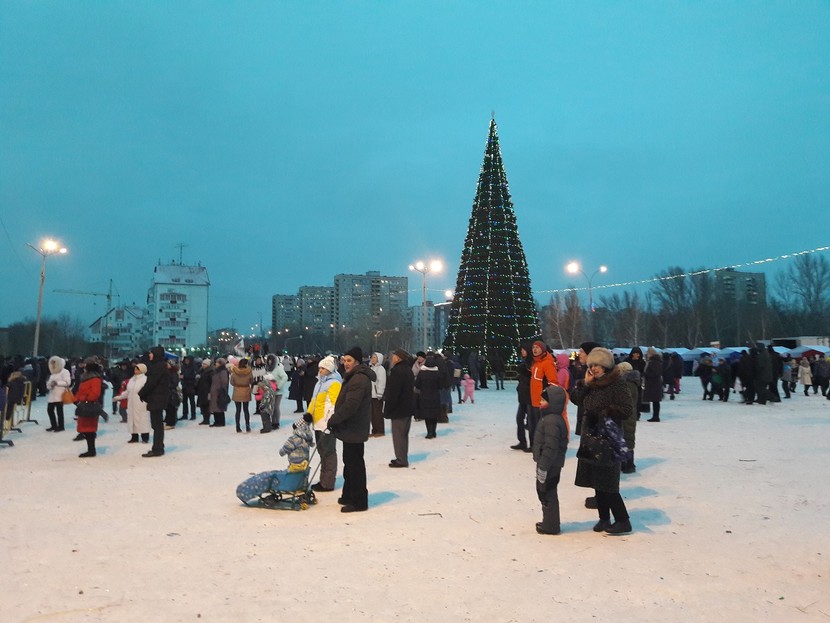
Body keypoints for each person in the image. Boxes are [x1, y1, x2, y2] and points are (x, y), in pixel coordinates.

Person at [570, 347, 633, 534]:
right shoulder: (592, 383)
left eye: (598, 364)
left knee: (608, 482)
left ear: (606, 366)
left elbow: (627, 409)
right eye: (592, 365)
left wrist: (605, 413)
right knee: (597, 481)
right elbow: (575, 399)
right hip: (591, 438)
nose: (594, 368)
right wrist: (586, 384)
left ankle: (623, 520)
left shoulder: (617, 383)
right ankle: (604, 518)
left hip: (608, 438)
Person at [327, 346, 375, 513]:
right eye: (344, 360)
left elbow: (350, 406)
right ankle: (348, 494)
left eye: (349, 361)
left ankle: (359, 501)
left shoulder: (359, 379)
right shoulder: (353, 376)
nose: (346, 363)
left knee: (355, 465)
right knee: (349, 462)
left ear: (357, 362)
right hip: (350, 428)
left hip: (354, 427)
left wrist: (334, 419)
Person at [533, 384, 570, 535]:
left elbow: (551, 447)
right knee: (547, 491)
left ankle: (551, 525)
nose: (540, 402)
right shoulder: (551, 418)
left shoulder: (551, 421)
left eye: (543, 400)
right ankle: (549, 521)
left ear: (553, 402)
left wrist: (543, 467)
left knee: (547, 493)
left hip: (549, 465)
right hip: (549, 464)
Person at [308, 355, 342, 492]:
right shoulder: (319, 383)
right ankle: (323, 479)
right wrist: (308, 415)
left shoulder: (334, 383)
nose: (320, 370)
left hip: (326, 422)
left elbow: (333, 405)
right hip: (317, 422)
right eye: (319, 368)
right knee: (322, 452)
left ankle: (328, 482)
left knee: (328, 452)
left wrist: (330, 422)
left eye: (323, 368)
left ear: (329, 369)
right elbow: (314, 401)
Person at [384, 349, 415, 468]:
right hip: (407, 407)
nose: (392, 358)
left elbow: (394, 392)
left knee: (398, 435)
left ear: (399, 358)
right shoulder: (408, 369)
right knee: (403, 434)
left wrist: (389, 408)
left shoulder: (397, 371)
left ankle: (401, 459)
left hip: (398, 408)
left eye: (394, 356)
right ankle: (402, 456)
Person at [138, 347, 171, 457]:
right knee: (157, 424)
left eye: (151, 353)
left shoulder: (159, 366)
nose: (150, 355)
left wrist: (142, 392)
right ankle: (158, 447)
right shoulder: (159, 365)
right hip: (157, 397)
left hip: (157, 398)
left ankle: (157, 448)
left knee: (157, 425)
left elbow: (151, 382)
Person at [74, 357, 107, 458]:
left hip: (89, 406)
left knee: (89, 429)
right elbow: (80, 391)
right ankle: (91, 449)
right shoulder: (85, 379)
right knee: (86, 429)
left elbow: (95, 394)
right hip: (84, 405)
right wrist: (76, 398)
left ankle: (91, 450)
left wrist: (83, 397)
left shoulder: (95, 379)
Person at [529, 341, 559, 447]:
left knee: (543, 426)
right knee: (537, 425)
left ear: (543, 349)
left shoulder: (547, 363)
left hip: (542, 401)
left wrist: (545, 399)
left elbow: (553, 382)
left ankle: (544, 447)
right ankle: (538, 446)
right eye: (533, 347)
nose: (535, 349)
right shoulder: (536, 363)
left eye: (537, 347)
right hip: (534, 400)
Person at [114, 363, 150, 444]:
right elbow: (128, 391)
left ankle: (145, 437)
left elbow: (148, 391)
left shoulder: (145, 379)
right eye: (135, 369)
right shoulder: (132, 379)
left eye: (137, 369)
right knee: (132, 419)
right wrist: (120, 397)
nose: (135, 371)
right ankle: (134, 436)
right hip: (132, 403)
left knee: (142, 419)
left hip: (141, 403)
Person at [616, 361, 640, 473]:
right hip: (630, 414)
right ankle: (627, 463)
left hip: (627, 415)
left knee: (627, 438)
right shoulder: (632, 383)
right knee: (628, 437)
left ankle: (628, 464)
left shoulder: (627, 384)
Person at [511, 343, 533, 452]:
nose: (522, 352)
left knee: (531, 421)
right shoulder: (525, 363)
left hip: (530, 396)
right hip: (523, 395)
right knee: (519, 418)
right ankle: (522, 441)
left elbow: (532, 380)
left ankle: (533, 443)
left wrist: (523, 375)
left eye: (524, 350)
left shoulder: (532, 363)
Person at [415, 354, 443, 439]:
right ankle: (433, 431)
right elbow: (441, 385)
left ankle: (429, 432)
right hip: (435, 396)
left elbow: (417, 384)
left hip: (424, 396)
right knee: (434, 414)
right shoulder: (437, 373)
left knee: (427, 415)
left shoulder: (422, 372)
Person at [46, 355, 72, 432]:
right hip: (52, 394)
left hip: (60, 393)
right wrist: (50, 386)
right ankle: (53, 425)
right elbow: (49, 383)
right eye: (52, 363)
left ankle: (61, 426)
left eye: (54, 363)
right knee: (50, 410)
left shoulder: (65, 371)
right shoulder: (53, 373)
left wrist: (57, 383)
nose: (53, 365)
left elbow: (67, 382)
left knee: (59, 410)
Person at [229, 358, 253, 432]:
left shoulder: (235, 371)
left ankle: (238, 426)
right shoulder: (249, 371)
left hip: (237, 391)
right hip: (246, 390)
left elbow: (232, 382)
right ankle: (247, 426)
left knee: (238, 410)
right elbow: (251, 381)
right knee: (246, 410)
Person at [643, 347, 663, 422]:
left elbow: (654, 373)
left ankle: (656, 416)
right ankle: (655, 416)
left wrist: (645, 374)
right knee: (655, 401)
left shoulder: (653, 362)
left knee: (655, 401)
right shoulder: (657, 361)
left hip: (653, 384)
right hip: (655, 383)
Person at [369, 352, 387, 437]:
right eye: (372, 357)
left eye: (375, 357)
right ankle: (374, 430)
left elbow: (382, 382)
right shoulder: (371, 368)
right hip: (370, 395)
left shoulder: (381, 369)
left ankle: (380, 430)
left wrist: (380, 393)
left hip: (377, 395)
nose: (373, 359)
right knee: (372, 414)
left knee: (378, 414)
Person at [209, 358, 230, 427]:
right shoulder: (216, 371)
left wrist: (220, 389)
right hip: (214, 391)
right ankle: (216, 421)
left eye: (218, 363)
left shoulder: (223, 371)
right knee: (214, 407)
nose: (216, 364)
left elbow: (225, 381)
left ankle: (221, 422)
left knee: (219, 406)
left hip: (219, 392)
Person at [180, 356, 198, 420]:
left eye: (187, 360)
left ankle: (193, 415)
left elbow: (193, 376)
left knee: (192, 401)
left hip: (191, 386)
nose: (186, 361)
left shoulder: (193, 367)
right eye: (185, 360)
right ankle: (185, 414)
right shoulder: (183, 366)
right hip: (185, 386)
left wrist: (184, 376)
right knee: (184, 401)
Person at [196, 359, 213, 425]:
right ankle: (205, 418)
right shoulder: (201, 371)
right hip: (201, 390)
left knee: (206, 405)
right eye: (202, 364)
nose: (203, 365)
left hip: (207, 390)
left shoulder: (210, 372)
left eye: (204, 364)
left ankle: (207, 419)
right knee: (202, 405)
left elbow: (211, 382)